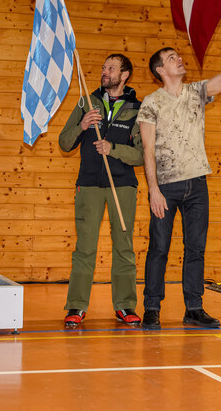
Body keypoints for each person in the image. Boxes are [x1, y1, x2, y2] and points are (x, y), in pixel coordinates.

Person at [137, 16, 221, 330]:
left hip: (197, 183)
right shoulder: (151, 103)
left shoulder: (197, 92)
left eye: (178, 56)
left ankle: (194, 308)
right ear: (161, 70)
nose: (180, 59)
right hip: (166, 187)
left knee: (195, 248)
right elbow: (147, 150)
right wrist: (153, 190)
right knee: (159, 248)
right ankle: (152, 308)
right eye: (172, 58)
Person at [58, 54, 144, 328]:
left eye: (111, 68)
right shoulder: (86, 102)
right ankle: (76, 306)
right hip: (89, 185)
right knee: (84, 248)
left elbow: (142, 155)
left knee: (124, 247)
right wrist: (82, 125)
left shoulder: (137, 108)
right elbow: (64, 143)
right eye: (104, 67)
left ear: (125, 75)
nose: (105, 72)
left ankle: (125, 305)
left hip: (123, 186)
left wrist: (113, 149)